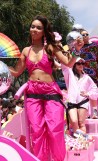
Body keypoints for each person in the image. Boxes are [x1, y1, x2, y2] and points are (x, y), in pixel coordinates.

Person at [8, 15, 83, 161]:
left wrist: (77, 50)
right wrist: (3, 67)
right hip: (33, 94)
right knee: (37, 131)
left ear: (44, 31)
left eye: (38, 27)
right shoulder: (25, 51)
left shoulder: (50, 47)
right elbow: (16, 72)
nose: (34, 29)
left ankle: (58, 159)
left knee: (55, 130)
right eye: (33, 26)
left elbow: (68, 63)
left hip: (51, 93)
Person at [56, 57, 98, 134]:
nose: (81, 65)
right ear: (74, 64)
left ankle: (82, 143)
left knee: (81, 123)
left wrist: (88, 94)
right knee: (74, 122)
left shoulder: (87, 77)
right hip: (72, 102)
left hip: (83, 102)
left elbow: (94, 88)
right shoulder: (69, 74)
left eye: (82, 63)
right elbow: (65, 66)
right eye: (78, 63)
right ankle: (77, 142)